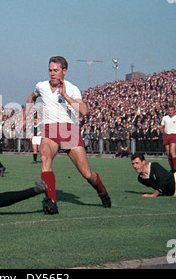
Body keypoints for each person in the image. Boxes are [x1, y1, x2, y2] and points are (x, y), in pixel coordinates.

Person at [23, 56, 111, 214]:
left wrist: (65, 96)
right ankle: (52, 202)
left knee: (87, 174)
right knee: (45, 159)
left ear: (64, 71)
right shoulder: (41, 86)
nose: (52, 74)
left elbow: (84, 111)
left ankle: (102, 191)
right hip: (50, 130)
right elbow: (31, 97)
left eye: (56, 70)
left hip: (69, 130)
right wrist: (24, 117)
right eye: (50, 70)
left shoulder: (71, 88)